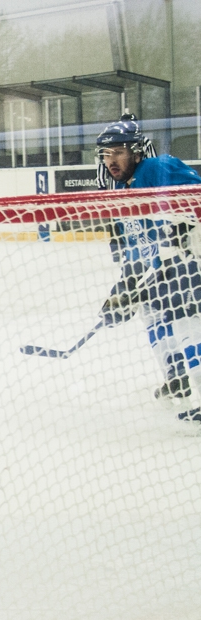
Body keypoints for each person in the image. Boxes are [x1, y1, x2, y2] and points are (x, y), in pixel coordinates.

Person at [94, 113, 201, 408]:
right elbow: (136, 247)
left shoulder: (158, 167)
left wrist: (182, 224)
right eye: (106, 154)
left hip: (188, 260)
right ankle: (175, 378)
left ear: (136, 152)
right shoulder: (119, 192)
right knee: (151, 312)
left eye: (118, 152)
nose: (111, 160)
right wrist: (125, 287)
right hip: (159, 271)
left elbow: (197, 197)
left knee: (185, 320)